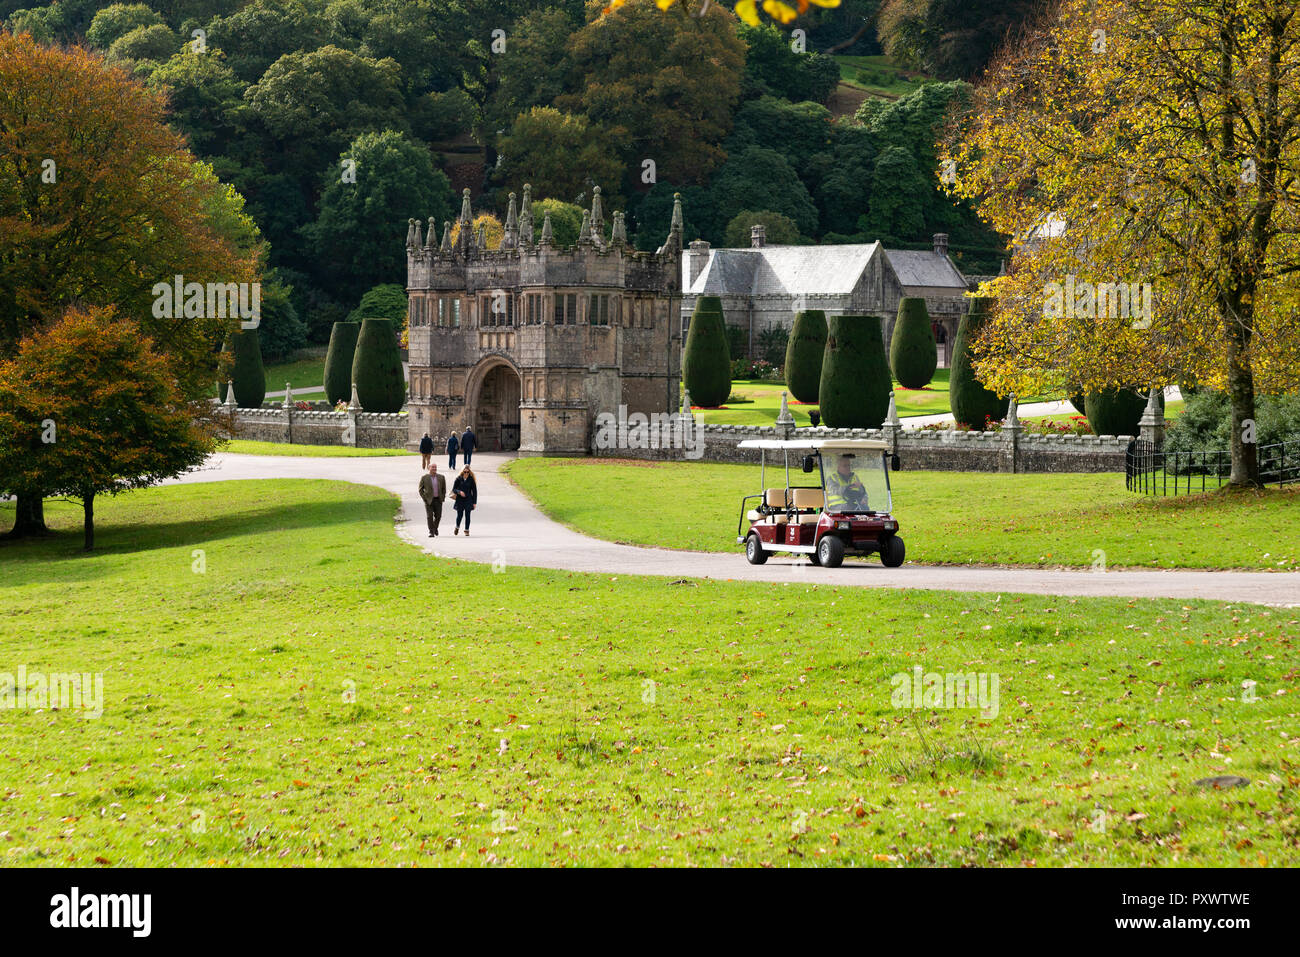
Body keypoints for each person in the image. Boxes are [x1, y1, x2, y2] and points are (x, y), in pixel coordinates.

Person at [417, 462, 447, 537]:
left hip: (438, 500)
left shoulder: (441, 477)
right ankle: (431, 531)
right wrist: (425, 498)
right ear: (429, 468)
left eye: (435, 467)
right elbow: (420, 489)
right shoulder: (424, 477)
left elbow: (444, 489)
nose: (434, 468)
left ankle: (435, 528)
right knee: (429, 516)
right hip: (429, 500)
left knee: (438, 516)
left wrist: (442, 497)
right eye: (432, 467)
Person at [452, 464, 477, 535]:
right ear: (462, 471)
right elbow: (454, 489)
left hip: (469, 500)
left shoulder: (471, 479)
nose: (466, 473)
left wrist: (474, 503)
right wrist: (459, 492)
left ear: (469, 472)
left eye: (467, 472)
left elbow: (474, 492)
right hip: (460, 500)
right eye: (465, 472)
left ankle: (466, 530)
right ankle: (457, 527)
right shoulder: (458, 479)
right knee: (459, 515)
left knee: (468, 515)